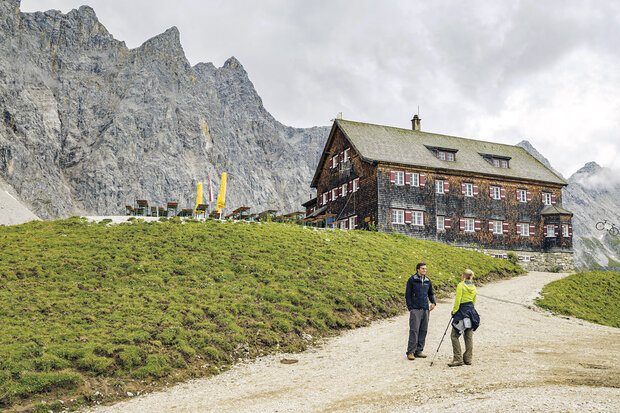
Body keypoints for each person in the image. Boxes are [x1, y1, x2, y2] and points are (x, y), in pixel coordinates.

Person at [448, 269, 480, 367]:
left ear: (463, 276)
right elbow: (474, 301)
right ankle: (468, 358)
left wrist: (454, 311)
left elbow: (458, 300)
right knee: (468, 336)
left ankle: (457, 358)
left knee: (454, 335)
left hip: (462, 311)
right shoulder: (474, 287)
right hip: (471, 312)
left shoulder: (461, 285)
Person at [405, 262, 436, 360]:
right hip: (415, 309)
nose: (424, 270)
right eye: (423, 269)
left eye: (425, 269)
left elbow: (431, 293)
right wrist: (410, 307)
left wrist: (433, 302)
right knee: (414, 330)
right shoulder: (412, 280)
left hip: (425, 309)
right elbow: (408, 295)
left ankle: (419, 351)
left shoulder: (427, 281)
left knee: (423, 330)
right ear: (418, 269)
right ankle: (410, 352)